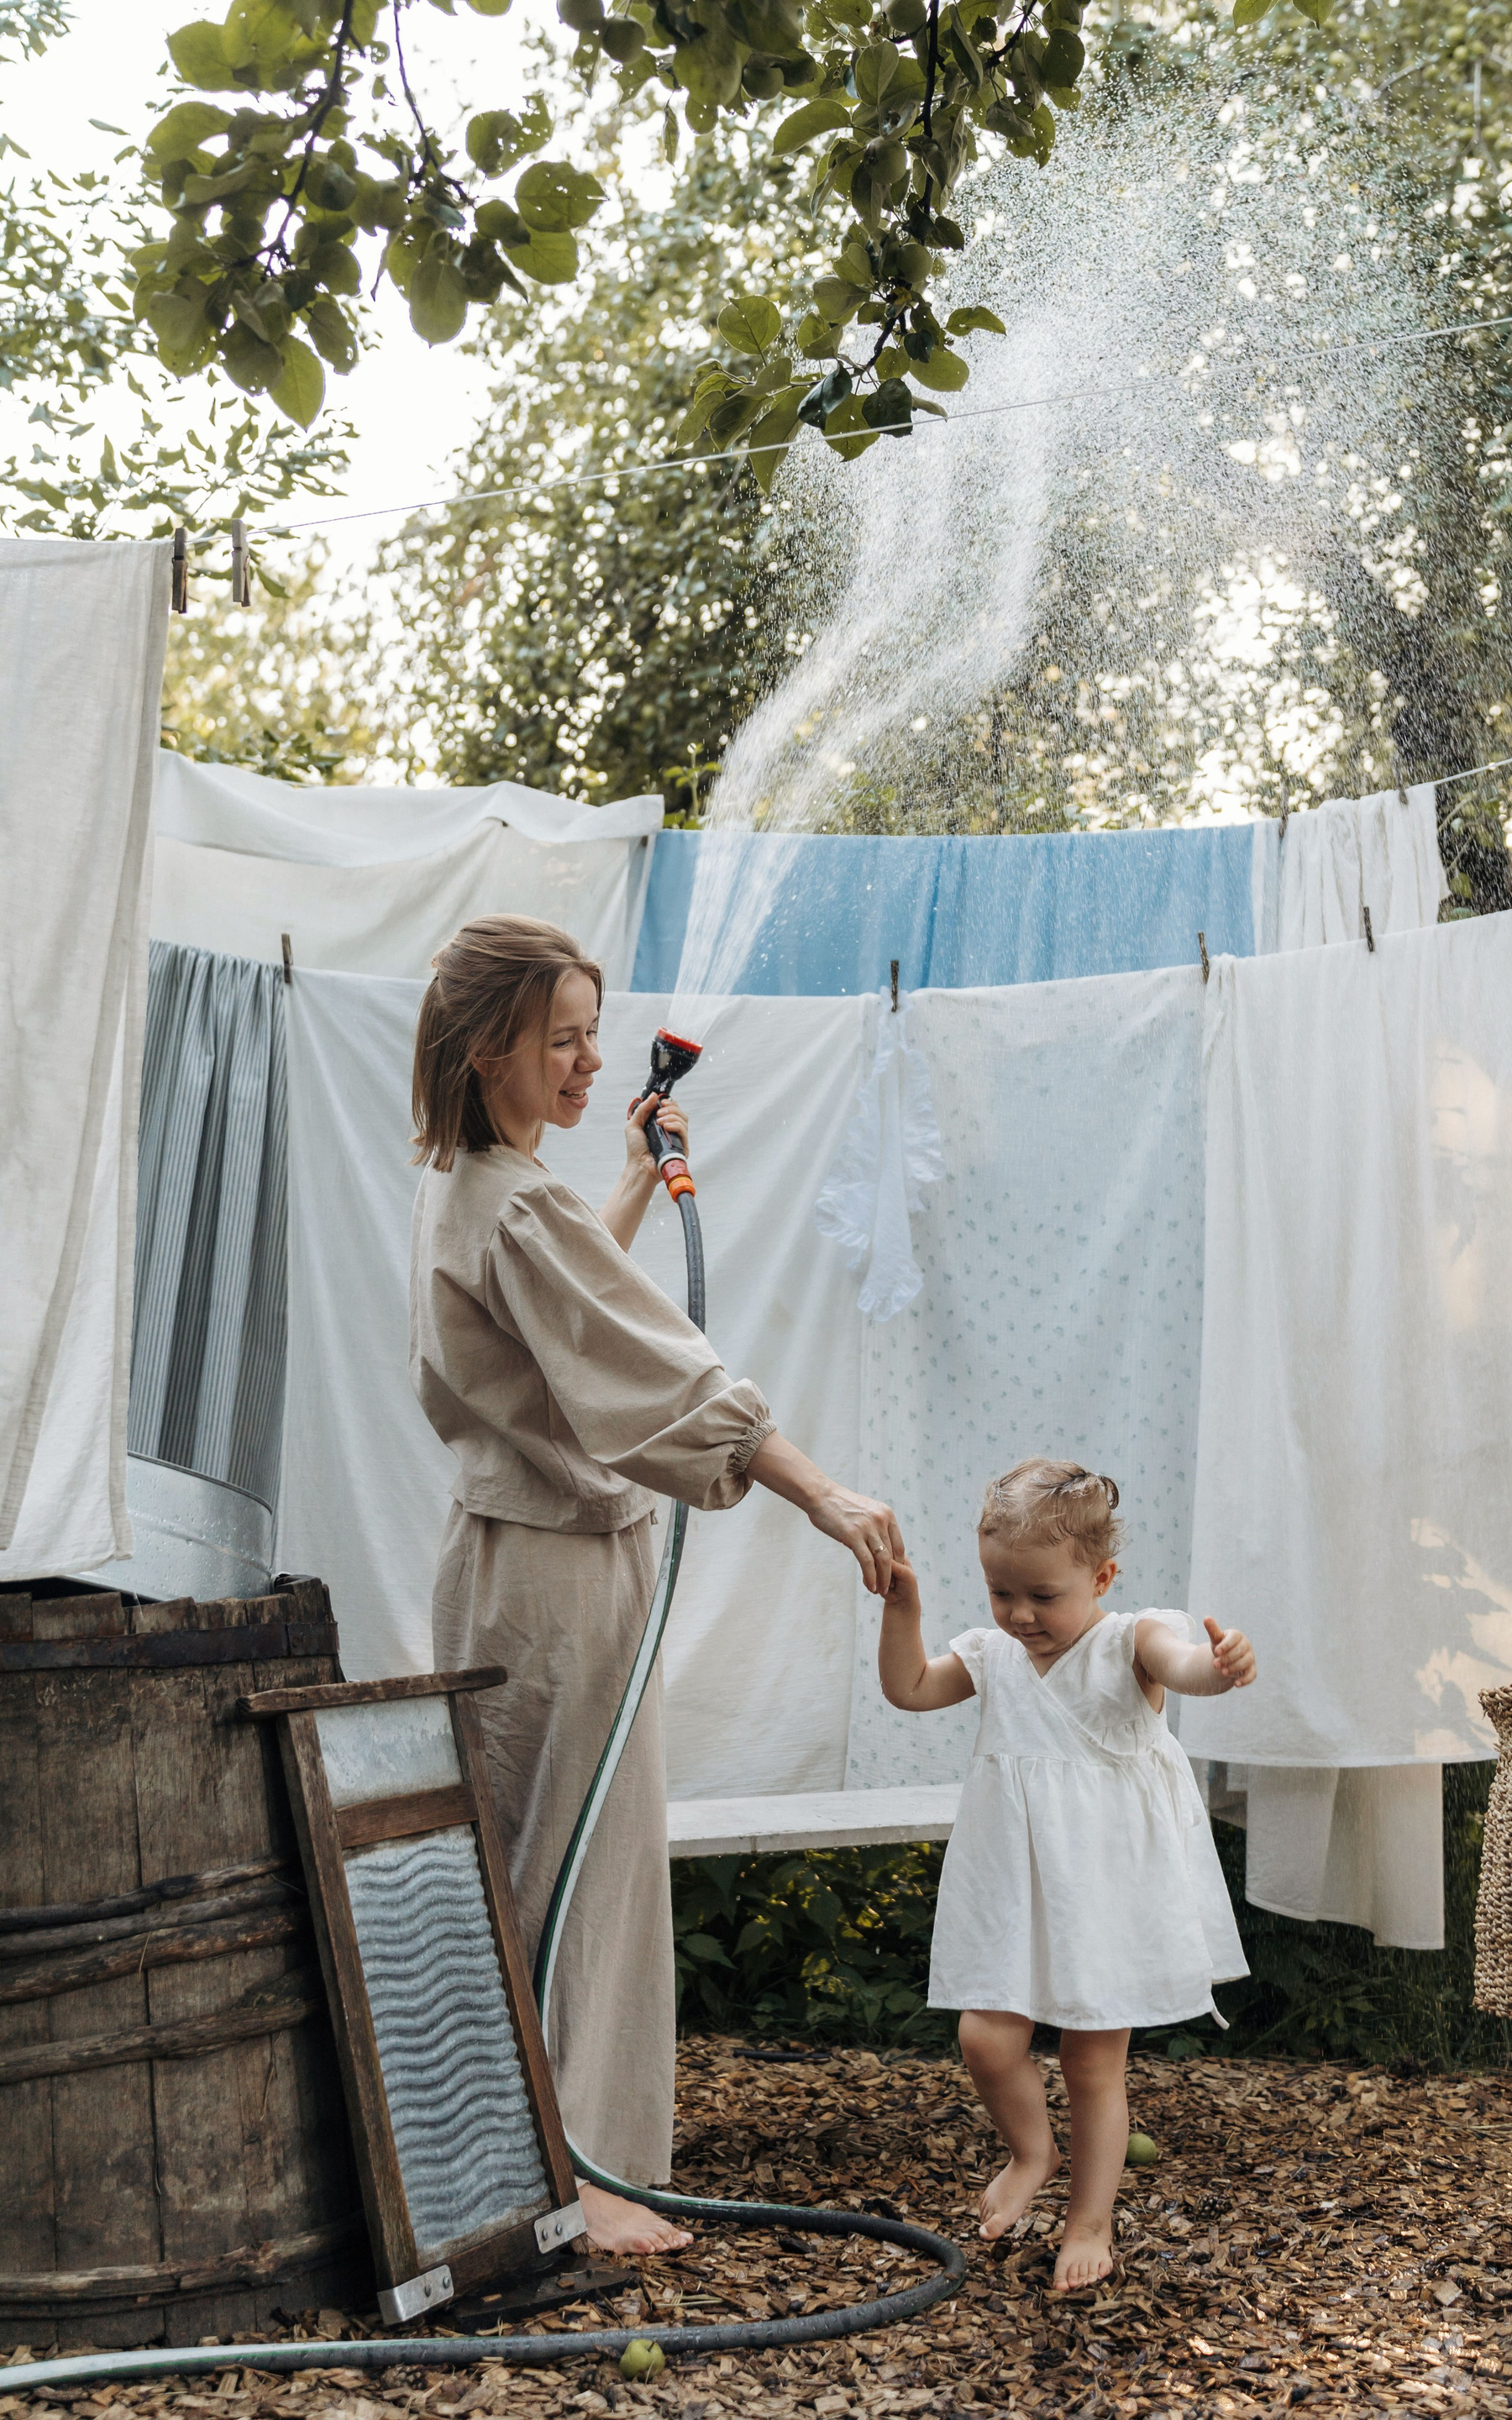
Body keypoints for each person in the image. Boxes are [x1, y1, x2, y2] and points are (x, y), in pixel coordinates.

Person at [410, 915, 905, 2257]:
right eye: (562, 1040)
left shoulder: (475, 1184)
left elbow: (572, 1310)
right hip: (559, 1579)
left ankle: (518, 2167)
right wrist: (821, 1493)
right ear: (484, 1048)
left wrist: (628, 1179)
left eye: (594, 1036)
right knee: (583, 1867)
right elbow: (654, 1374)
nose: (588, 1063)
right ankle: (588, 2178)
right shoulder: (519, 1207)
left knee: (530, 1860)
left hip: (507, 1565)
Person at [877, 1457, 1254, 2292]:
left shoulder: (1133, 1640)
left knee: (1092, 2065)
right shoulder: (993, 1654)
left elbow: (1186, 1666)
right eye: (1000, 1591)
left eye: (1043, 1596)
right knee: (985, 2037)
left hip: (1108, 1893)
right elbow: (909, 1687)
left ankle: (1090, 2219)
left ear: (1102, 1577)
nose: (1019, 1614)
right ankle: (1032, 2150)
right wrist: (904, 1608)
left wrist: (1219, 1664)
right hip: (1017, 1890)